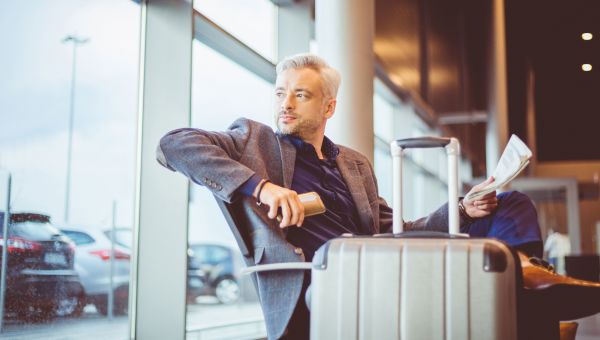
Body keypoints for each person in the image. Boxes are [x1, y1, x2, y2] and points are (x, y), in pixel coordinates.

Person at [156, 54, 597, 340]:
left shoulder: (353, 163)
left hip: (381, 256)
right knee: (514, 299)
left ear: (328, 107)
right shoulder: (252, 141)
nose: (285, 104)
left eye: (300, 94)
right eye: (280, 92)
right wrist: (262, 186)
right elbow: (173, 144)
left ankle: (528, 279)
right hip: (329, 272)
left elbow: (396, 229)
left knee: (509, 200)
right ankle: (531, 299)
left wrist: (463, 209)